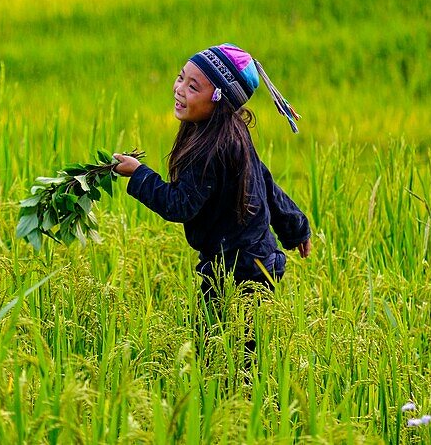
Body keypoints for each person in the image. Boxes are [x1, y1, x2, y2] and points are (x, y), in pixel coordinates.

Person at [113, 43, 312, 360]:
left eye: (193, 86)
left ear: (219, 99)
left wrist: (139, 176)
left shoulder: (212, 148)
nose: (179, 90)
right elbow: (264, 179)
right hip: (248, 260)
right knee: (221, 351)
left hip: (239, 269)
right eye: (180, 78)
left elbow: (179, 204)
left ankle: (238, 404)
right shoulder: (228, 132)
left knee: (224, 358)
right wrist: (295, 227)